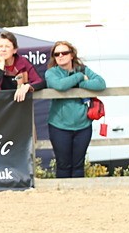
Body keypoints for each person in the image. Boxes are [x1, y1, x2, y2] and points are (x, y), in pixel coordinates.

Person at [44, 40, 106, 178]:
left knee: (78, 165)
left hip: (83, 125)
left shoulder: (83, 69)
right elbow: (59, 85)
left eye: (64, 53)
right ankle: (63, 197)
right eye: (57, 54)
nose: (60, 56)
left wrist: (82, 83)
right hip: (59, 126)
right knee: (63, 165)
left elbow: (101, 83)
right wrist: (78, 77)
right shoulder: (51, 73)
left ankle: (79, 198)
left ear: (72, 55)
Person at [0, 30, 44, 103]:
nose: (3, 50)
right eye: (0, 46)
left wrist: (27, 86)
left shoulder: (23, 62)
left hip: (19, 106)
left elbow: (40, 82)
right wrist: (1, 64)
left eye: (7, 46)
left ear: (15, 50)